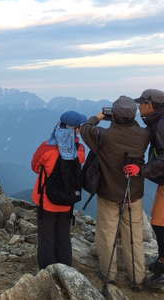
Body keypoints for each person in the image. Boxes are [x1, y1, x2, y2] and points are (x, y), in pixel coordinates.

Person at [80, 96, 149, 289]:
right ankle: (137, 277)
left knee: (106, 233)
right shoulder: (144, 135)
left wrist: (99, 116)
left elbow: (85, 128)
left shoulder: (103, 136)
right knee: (134, 236)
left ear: (115, 114)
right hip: (133, 193)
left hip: (108, 192)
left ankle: (108, 274)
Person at [31, 110, 87, 269]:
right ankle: (65, 271)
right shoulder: (80, 150)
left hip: (46, 200)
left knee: (46, 238)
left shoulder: (47, 148)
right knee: (63, 236)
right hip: (68, 201)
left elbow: (35, 166)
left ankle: (48, 272)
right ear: (75, 129)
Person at [133, 89, 164, 288]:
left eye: (141, 103)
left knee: (161, 223)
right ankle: (162, 261)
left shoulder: (161, 124)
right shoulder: (157, 121)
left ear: (151, 105)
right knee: (159, 221)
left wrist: (143, 170)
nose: (139, 106)